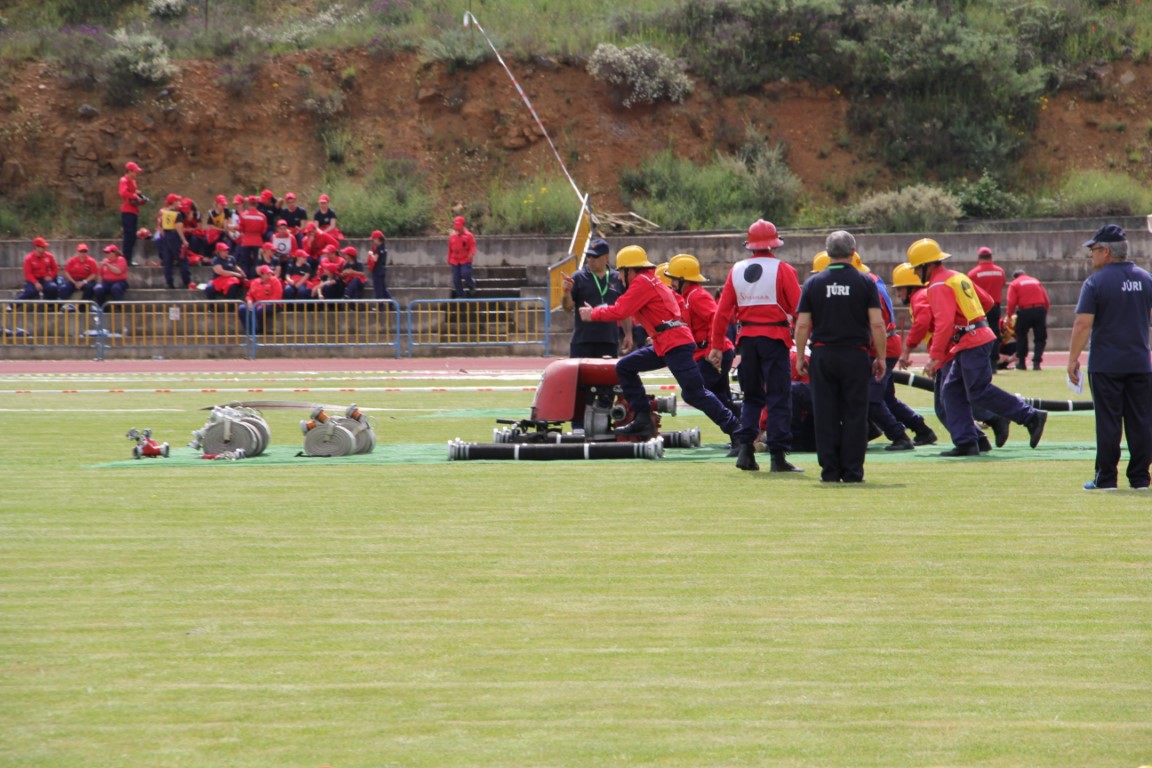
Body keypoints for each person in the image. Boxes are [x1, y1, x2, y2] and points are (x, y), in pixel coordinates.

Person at [579, 245, 740, 445]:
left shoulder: (642, 282)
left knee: (694, 393)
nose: (620, 278)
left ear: (630, 270)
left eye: (621, 272)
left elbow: (621, 310)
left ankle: (737, 430)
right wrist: (663, 329)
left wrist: (593, 314)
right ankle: (643, 418)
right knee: (626, 367)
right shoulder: (651, 280)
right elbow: (678, 304)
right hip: (668, 343)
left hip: (673, 344)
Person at [908, 238, 1047, 456]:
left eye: (917, 268)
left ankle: (1030, 416)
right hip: (974, 337)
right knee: (952, 391)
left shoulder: (937, 285)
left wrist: (935, 356)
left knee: (977, 391)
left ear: (927, 265)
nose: (916, 274)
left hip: (971, 340)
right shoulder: (957, 277)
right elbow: (989, 301)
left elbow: (943, 323)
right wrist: (971, 320)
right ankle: (967, 442)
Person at [708, 219, 803, 472]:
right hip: (775, 341)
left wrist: (717, 345)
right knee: (779, 397)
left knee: (751, 397)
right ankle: (778, 457)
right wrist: (805, 342)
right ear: (775, 244)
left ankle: (746, 450)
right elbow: (799, 310)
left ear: (750, 245)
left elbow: (722, 312)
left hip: (747, 342)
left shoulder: (736, 270)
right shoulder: (783, 270)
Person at [792, 231, 887, 483]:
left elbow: (802, 325)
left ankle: (830, 471)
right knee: (855, 414)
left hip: (823, 354)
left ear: (827, 252)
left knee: (825, 414)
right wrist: (881, 357)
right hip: (856, 355)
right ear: (853, 251)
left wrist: (800, 356)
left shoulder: (813, 283)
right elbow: (877, 324)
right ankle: (853, 471)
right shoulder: (866, 282)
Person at [1067, 224, 1152, 491]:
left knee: (1108, 422)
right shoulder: (1146, 278)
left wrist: (1072, 359)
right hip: (1139, 363)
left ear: (1106, 251)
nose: (1091, 255)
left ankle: (1106, 478)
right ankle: (1140, 478)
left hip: (1106, 364)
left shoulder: (1096, 282)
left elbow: (1083, 324)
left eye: (1093, 250)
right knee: (1141, 421)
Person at [665, 253, 737, 415]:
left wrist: (713, 348)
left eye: (674, 279)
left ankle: (740, 423)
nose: (672, 283)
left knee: (693, 392)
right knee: (721, 398)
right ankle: (741, 431)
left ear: (685, 279)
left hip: (713, 354)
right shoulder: (689, 297)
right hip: (711, 353)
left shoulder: (696, 296)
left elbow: (715, 319)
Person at [562, 238, 626, 358]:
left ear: (606, 258)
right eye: (589, 256)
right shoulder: (578, 277)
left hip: (609, 340)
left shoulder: (617, 277)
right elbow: (567, 308)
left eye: (595, 257)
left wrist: (628, 334)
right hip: (582, 340)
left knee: (606, 376)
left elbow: (624, 308)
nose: (591, 260)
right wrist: (566, 292)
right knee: (580, 377)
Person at [967, 246, 1006, 369]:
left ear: (979, 258)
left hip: (980, 308)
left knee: (980, 334)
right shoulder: (1000, 271)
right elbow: (1002, 285)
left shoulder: (973, 273)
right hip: (995, 307)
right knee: (994, 333)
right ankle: (993, 362)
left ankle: (982, 362)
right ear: (991, 257)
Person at [1006, 267, 1050, 371]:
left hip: (1024, 311)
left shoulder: (1014, 283)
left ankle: (1021, 363)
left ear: (1014, 277)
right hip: (1040, 309)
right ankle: (1036, 362)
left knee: (1021, 336)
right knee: (1040, 338)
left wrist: (1009, 316)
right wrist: (1044, 312)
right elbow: (1046, 300)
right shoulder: (1035, 281)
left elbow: (1011, 302)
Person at [156, 193, 191, 289]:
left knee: (168, 261)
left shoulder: (164, 213)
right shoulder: (177, 214)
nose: (179, 203)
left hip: (166, 236)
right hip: (174, 236)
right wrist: (184, 240)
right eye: (178, 201)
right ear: (173, 202)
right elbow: (179, 228)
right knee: (183, 259)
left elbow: (161, 228)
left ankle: (169, 282)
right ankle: (187, 282)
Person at [237, 264, 283, 334]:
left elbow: (276, 296)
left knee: (260, 310)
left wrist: (263, 304)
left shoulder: (275, 281)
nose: (269, 275)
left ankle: (261, 330)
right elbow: (249, 295)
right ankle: (250, 330)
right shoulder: (255, 282)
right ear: (262, 274)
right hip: (257, 304)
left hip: (272, 305)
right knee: (242, 308)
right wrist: (249, 301)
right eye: (267, 273)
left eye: (270, 273)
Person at [118, 161, 146, 265]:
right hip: (127, 211)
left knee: (132, 236)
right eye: (134, 172)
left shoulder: (133, 182)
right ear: (129, 171)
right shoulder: (124, 180)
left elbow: (133, 193)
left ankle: (128, 258)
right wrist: (135, 196)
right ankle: (126, 259)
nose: (136, 174)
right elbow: (123, 192)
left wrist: (140, 197)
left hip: (134, 211)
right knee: (128, 236)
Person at [17, 237, 61, 302]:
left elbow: (55, 268)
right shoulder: (29, 258)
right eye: (43, 247)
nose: (44, 249)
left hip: (44, 278)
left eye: (44, 247)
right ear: (37, 247)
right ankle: (13, 305)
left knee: (52, 288)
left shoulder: (49, 256)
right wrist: (36, 282)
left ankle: (51, 306)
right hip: (33, 280)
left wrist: (51, 276)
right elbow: (28, 274)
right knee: (31, 292)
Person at [236, 195, 268, 279]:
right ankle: (255, 278)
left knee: (245, 261)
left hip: (246, 240)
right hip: (258, 240)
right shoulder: (262, 216)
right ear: (257, 204)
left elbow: (240, 228)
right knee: (257, 262)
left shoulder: (243, 215)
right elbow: (264, 230)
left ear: (249, 204)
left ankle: (245, 279)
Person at [58, 243, 100, 307]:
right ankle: (60, 306)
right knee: (64, 288)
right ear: (78, 252)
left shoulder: (91, 261)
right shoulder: (72, 260)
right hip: (73, 280)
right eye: (81, 251)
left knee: (90, 288)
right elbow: (66, 272)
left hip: (86, 280)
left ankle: (83, 307)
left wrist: (83, 282)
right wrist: (74, 282)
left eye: (85, 251)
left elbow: (94, 274)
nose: (83, 253)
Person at [447, 215, 477, 298]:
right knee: (455, 280)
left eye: (459, 227)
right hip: (455, 260)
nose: (458, 229)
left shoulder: (469, 236)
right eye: (456, 228)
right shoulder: (452, 237)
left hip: (465, 259)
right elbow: (450, 249)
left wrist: (471, 253)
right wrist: (449, 259)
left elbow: (472, 246)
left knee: (465, 273)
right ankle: (462, 295)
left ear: (463, 226)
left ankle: (471, 284)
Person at [367, 230, 393, 301]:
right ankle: (391, 303)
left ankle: (380, 306)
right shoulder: (384, 247)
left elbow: (375, 259)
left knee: (378, 289)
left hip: (377, 271)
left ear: (377, 239)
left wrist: (370, 253)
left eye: (374, 239)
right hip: (382, 269)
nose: (373, 241)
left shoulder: (378, 248)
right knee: (383, 288)